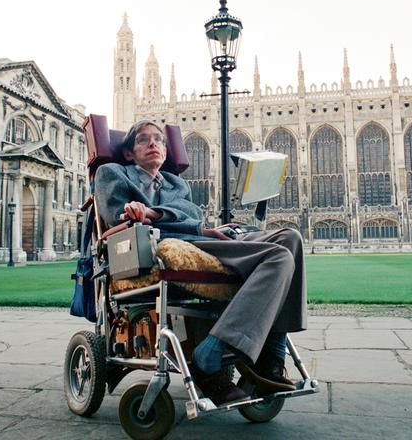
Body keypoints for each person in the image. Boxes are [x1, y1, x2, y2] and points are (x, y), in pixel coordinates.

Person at [95, 120, 307, 405]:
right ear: (129, 153)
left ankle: (271, 357)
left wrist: (155, 213)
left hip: (196, 238)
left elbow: (192, 217)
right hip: (155, 246)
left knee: (289, 239)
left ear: (167, 152)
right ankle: (215, 352)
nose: (153, 144)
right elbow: (113, 212)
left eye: (159, 139)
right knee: (278, 257)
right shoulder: (113, 173)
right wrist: (135, 212)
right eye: (143, 140)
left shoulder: (176, 183)